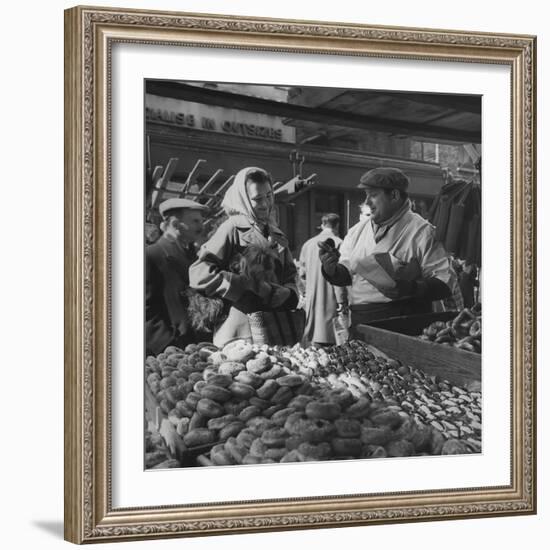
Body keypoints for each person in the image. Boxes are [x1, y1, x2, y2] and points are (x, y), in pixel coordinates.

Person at [319, 167, 456, 329]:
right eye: (366, 195)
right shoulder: (357, 231)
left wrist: (412, 288)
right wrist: (331, 269)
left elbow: (446, 282)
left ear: (394, 195)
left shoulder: (422, 231)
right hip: (361, 321)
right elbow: (347, 275)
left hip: (405, 321)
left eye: (374, 195)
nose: (367, 202)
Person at [189, 167, 299, 347]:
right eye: (257, 199)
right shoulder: (232, 228)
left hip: (274, 329)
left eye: (269, 196)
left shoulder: (277, 233)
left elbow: (289, 276)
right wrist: (242, 286)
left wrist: (287, 292)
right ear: (244, 199)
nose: (265, 204)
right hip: (239, 333)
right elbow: (198, 272)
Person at [145, 197, 208, 355]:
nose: (201, 227)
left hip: (197, 346)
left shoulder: (195, 256)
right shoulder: (152, 254)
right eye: (195, 221)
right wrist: (167, 345)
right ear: (174, 224)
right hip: (170, 352)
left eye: (201, 221)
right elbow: (145, 309)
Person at [299, 213, 347, 346]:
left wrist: (306, 294)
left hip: (312, 302)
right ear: (337, 225)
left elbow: (301, 275)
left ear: (322, 225)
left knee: (314, 346)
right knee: (334, 345)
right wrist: (342, 301)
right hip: (331, 302)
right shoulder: (339, 243)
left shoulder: (308, 244)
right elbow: (341, 277)